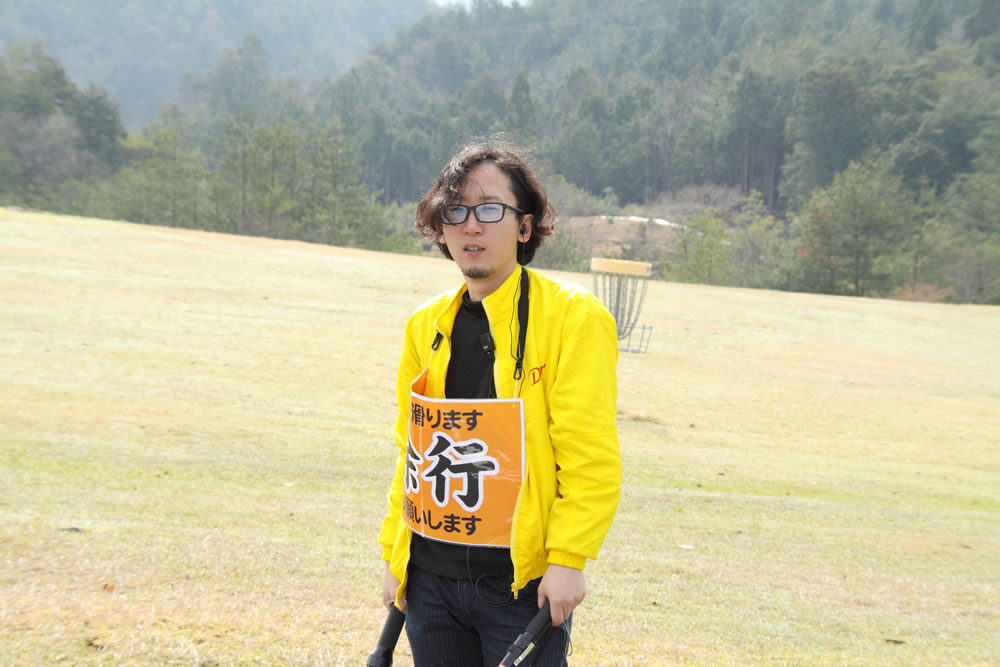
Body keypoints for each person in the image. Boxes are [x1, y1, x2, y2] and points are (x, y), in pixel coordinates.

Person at [378, 135, 621, 666]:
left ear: (525, 226)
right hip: (429, 580)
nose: (471, 225)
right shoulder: (425, 324)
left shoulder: (573, 318)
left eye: (490, 209)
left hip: (520, 589)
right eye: (455, 210)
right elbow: (412, 449)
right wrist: (397, 552)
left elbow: (589, 454)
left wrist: (569, 558)